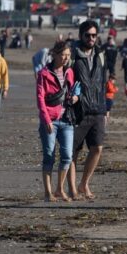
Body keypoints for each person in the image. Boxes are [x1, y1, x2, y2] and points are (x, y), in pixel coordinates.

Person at [69, 20, 108, 200]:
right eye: (88, 35)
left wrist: (106, 108)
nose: (91, 38)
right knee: (73, 151)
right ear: (81, 36)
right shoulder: (73, 55)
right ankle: (72, 188)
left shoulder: (101, 55)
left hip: (98, 108)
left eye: (94, 35)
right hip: (78, 109)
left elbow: (103, 83)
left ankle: (84, 184)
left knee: (97, 148)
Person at [35, 41, 78, 202]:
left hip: (67, 119)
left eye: (68, 55)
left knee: (67, 155)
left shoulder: (69, 72)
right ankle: (48, 193)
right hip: (50, 120)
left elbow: (72, 92)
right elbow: (40, 98)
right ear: (55, 54)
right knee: (49, 156)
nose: (66, 58)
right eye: (63, 55)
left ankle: (60, 189)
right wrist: (46, 120)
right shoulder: (44, 73)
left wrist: (75, 97)